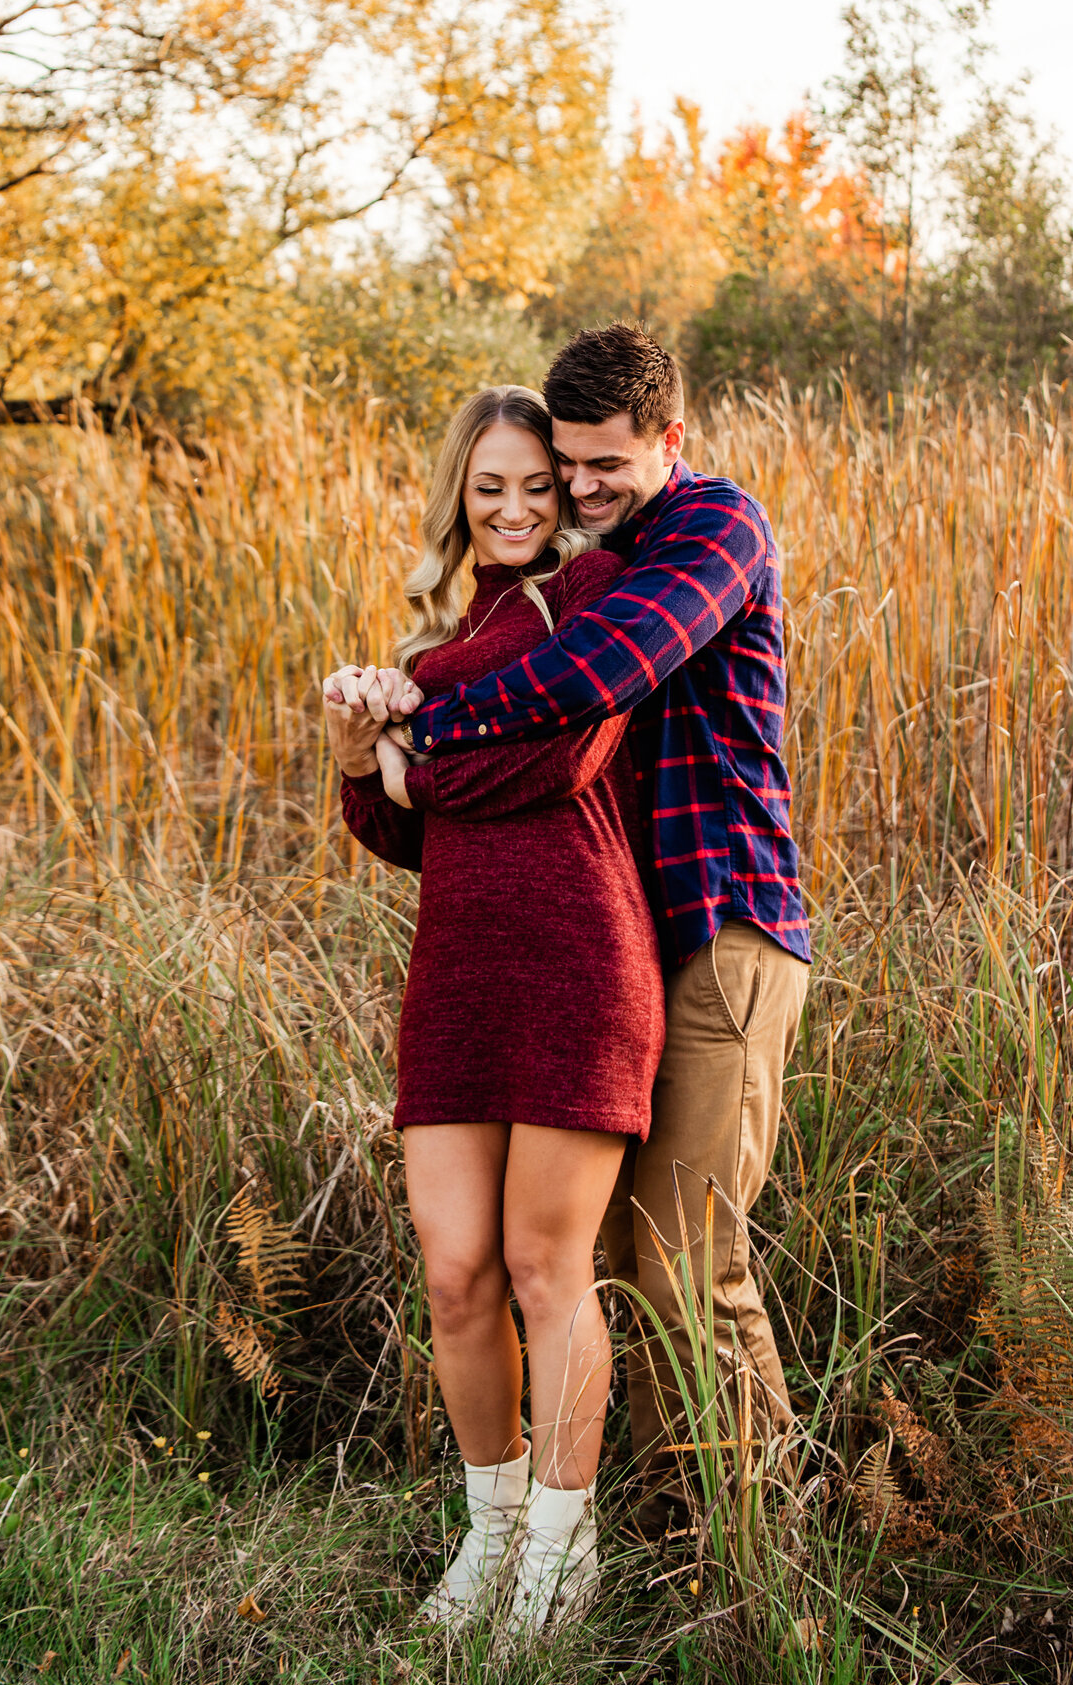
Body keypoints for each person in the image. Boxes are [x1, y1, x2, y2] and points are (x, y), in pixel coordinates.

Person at [328, 323, 811, 1533]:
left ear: (671, 439)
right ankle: (662, 1529)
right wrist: (376, 741)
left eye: (599, 467)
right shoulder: (583, 567)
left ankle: (765, 1558)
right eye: (565, 468)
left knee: (689, 1262)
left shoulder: (707, 534)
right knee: (624, 1266)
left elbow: (595, 681)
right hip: (638, 930)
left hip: (724, 926)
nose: (580, 491)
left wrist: (416, 738)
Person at [322, 384, 664, 1633]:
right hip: (459, 979)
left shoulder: (594, 605)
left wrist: (417, 747)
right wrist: (365, 755)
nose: (516, 505)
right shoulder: (431, 647)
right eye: (490, 487)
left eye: (535, 482)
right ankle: (492, 1536)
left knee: (541, 1263)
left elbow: (557, 758)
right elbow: (400, 833)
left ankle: (563, 1562)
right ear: (459, 500)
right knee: (456, 1269)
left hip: (580, 963)